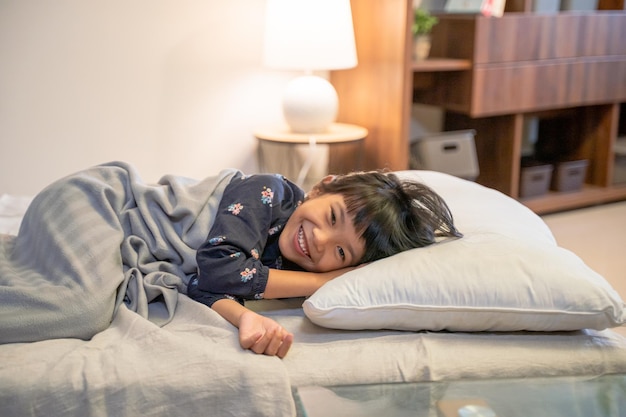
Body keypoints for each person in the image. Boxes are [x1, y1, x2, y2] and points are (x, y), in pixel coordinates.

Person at [187, 170, 462, 358]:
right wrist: (321, 281)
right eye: (332, 217)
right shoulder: (268, 191)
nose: (320, 240)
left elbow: (203, 286)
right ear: (320, 188)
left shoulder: (300, 270)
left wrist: (245, 316)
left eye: (341, 252)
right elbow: (219, 268)